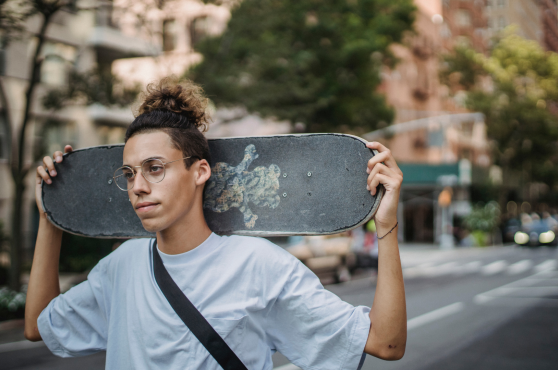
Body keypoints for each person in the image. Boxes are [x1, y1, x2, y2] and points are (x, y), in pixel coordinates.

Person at [25, 78, 406, 369]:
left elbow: (385, 342)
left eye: (154, 169)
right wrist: (50, 216)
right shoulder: (121, 266)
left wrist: (385, 225)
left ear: (200, 171)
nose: (138, 187)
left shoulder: (257, 264)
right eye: (129, 173)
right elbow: (38, 327)